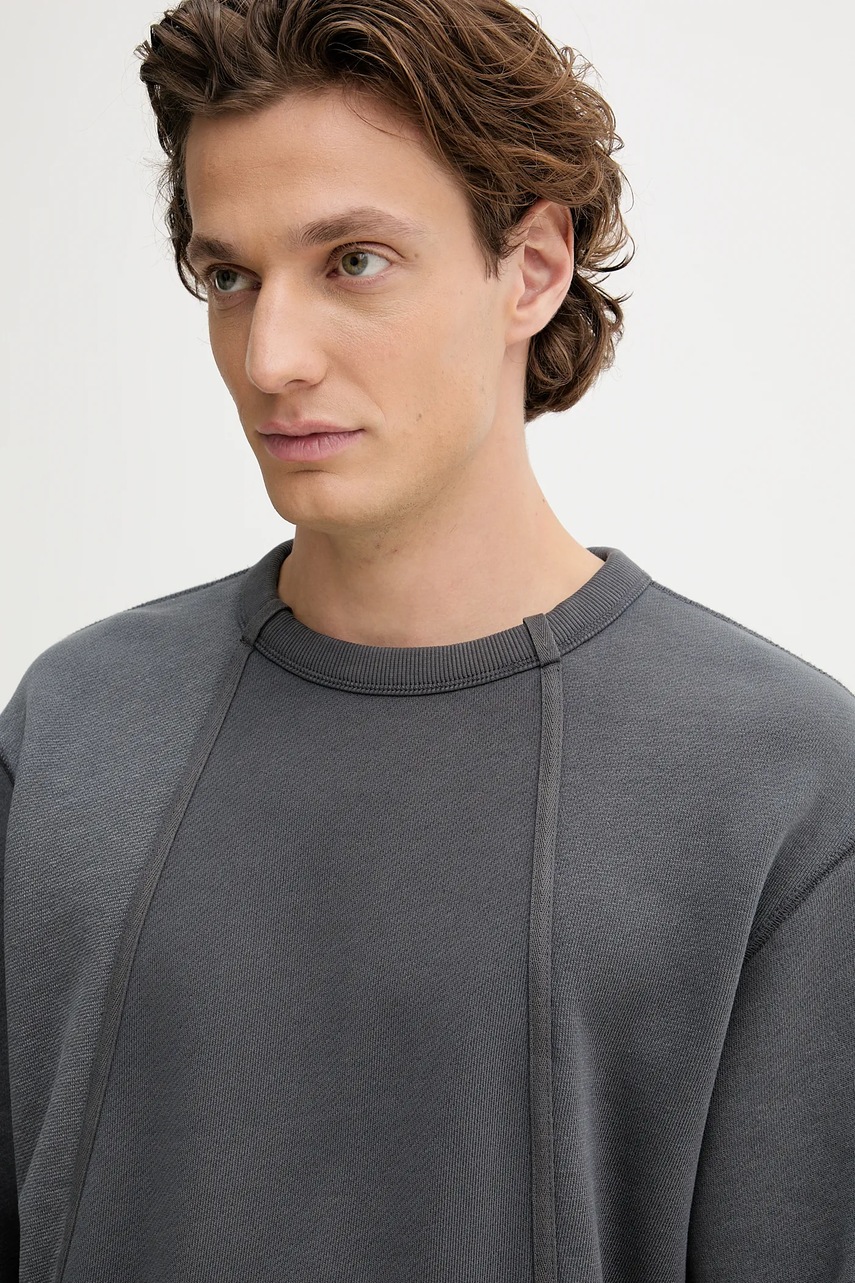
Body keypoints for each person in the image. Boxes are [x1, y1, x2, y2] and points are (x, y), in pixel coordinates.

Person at [1, 0, 853, 1278]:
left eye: (353, 260)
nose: (270, 356)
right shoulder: (74, 726)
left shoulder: (784, 789)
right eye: (230, 277)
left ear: (533, 268)